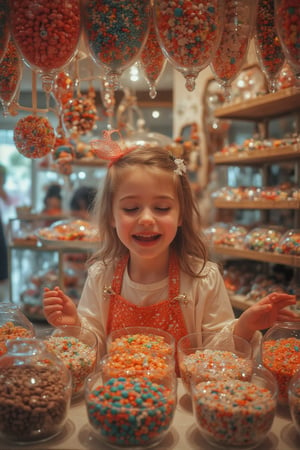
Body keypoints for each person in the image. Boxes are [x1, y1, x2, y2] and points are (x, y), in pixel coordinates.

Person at [43, 144, 297, 360]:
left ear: (180, 215)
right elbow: (94, 347)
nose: (145, 219)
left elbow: (213, 353)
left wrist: (244, 326)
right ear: (111, 216)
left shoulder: (202, 277)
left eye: (162, 208)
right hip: (115, 403)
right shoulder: (101, 275)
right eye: (131, 208)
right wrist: (74, 326)